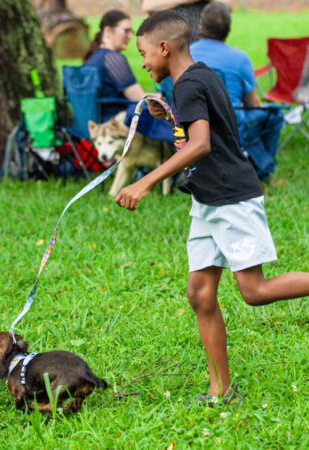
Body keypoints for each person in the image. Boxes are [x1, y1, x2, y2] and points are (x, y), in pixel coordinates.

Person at [114, 10, 309, 406]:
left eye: (144, 53)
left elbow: (201, 145)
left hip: (230, 197)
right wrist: (170, 114)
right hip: (207, 197)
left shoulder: (188, 86)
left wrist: (145, 180)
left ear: (165, 48)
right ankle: (220, 390)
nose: (143, 62)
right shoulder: (197, 78)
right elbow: (202, 135)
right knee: (200, 293)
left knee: (253, 291)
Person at [190, 2, 283, 180]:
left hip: (190, 126)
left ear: (200, 27)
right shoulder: (240, 59)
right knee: (275, 115)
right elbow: (253, 104)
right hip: (229, 128)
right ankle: (261, 171)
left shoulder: (183, 54)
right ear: (229, 28)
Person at [83, 10, 146, 123]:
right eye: (125, 31)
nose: (131, 36)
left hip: (100, 119)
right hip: (117, 121)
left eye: (131, 31)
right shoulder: (112, 58)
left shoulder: (94, 56)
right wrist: (167, 96)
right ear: (108, 31)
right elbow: (138, 97)